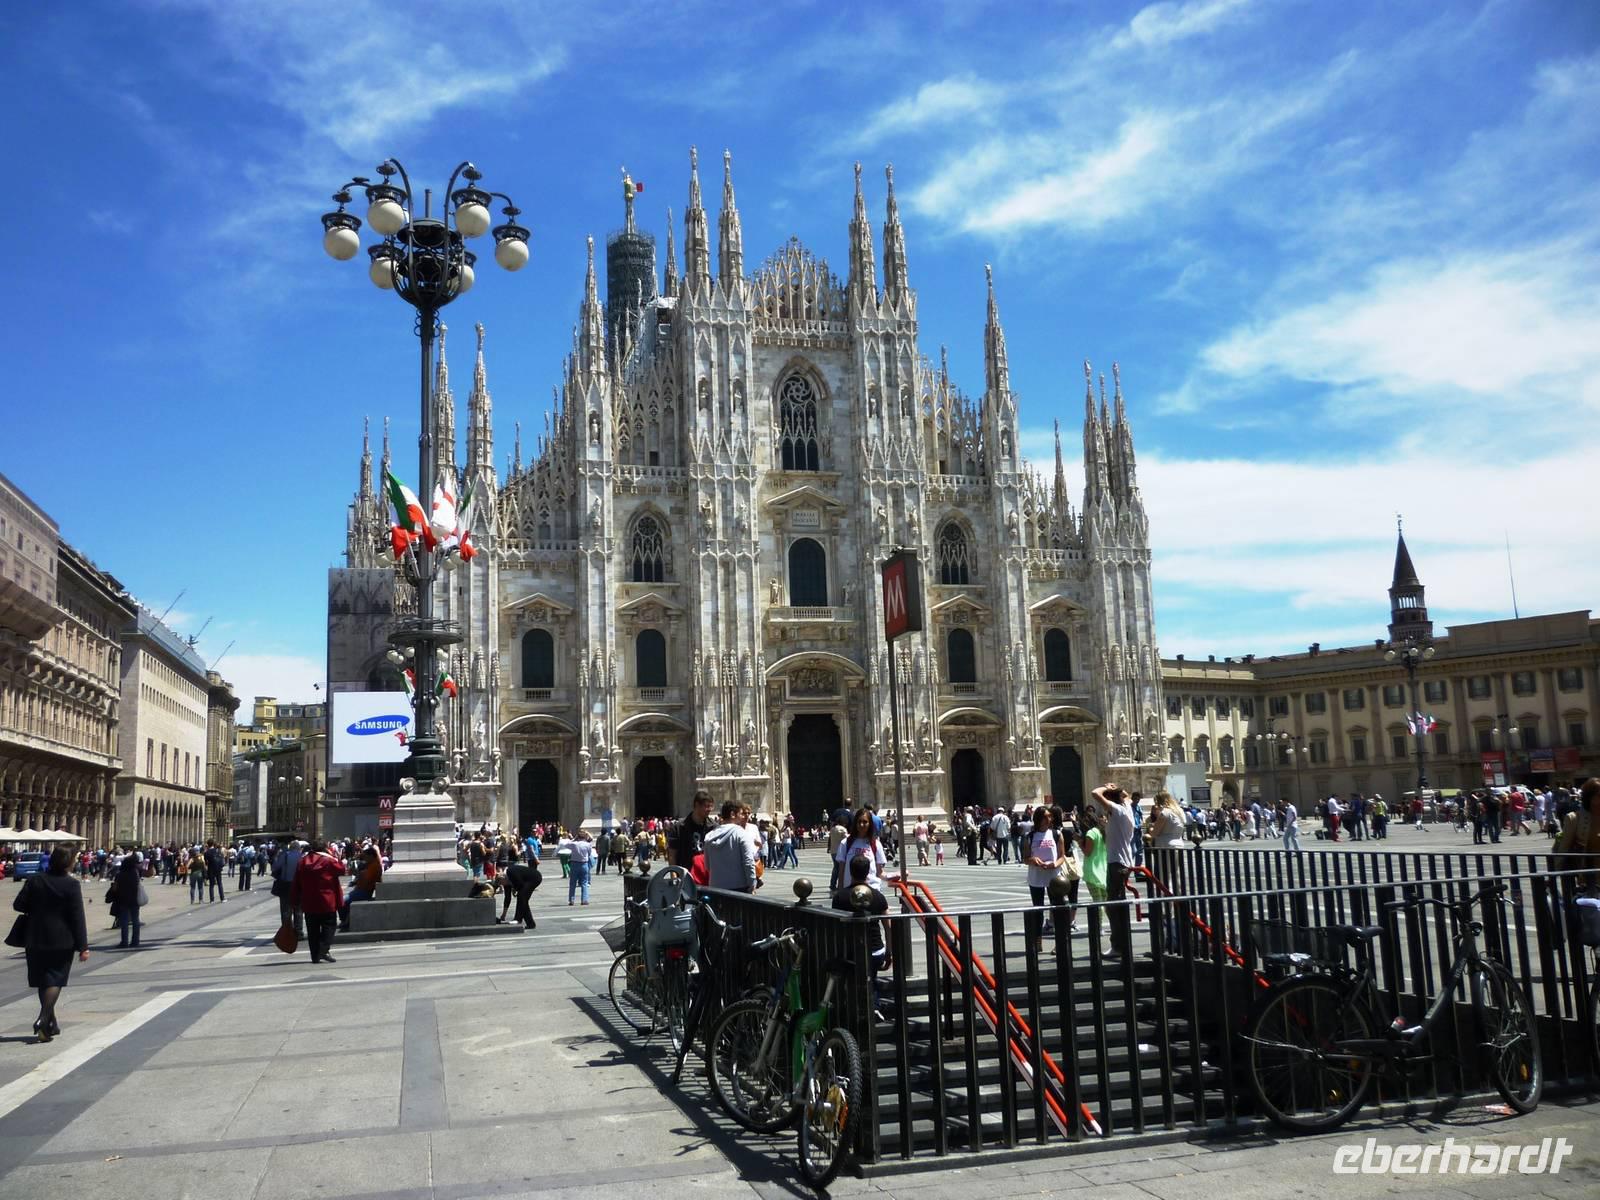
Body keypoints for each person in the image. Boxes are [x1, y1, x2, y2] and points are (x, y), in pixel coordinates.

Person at [12, 847, 89, 1043]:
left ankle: (49, 1026)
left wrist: (37, 907)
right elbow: (77, 917)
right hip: (62, 939)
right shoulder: (71, 884)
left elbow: (18, 905)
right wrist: (83, 946)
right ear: (69, 862)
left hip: (35, 937)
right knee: (55, 979)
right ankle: (43, 1018)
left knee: (43, 979)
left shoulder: (35, 880)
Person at [1096, 784, 1136, 961]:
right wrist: (1118, 788)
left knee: (1113, 906)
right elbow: (1126, 796)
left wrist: (1104, 787)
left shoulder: (1118, 810)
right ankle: (1122, 943)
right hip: (1123, 862)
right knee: (1118, 904)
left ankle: (1118, 946)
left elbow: (1094, 794)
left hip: (1117, 864)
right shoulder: (1127, 808)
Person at [290, 839, 346, 964]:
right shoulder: (328, 861)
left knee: (312, 930)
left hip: (309, 901)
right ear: (325, 848)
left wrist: (294, 900)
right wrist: (334, 855)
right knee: (329, 926)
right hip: (327, 900)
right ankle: (323, 949)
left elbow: (296, 883)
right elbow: (342, 869)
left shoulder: (302, 862)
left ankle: (315, 955)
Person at [704, 800, 757, 893]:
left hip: (716, 887)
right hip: (739, 887)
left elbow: (708, 866)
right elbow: (748, 862)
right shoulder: (741, 833)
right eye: (741, 814)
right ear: (733, 814)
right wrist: (752, 882)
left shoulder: (710, 836)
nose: (743, 817)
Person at [836, 807, 888, 892]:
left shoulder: (876, 844)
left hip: (871, 891)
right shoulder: (845, 843)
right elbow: (841, 871)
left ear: (870, 824)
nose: (861, 825)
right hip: (850, 891)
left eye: (865, 822)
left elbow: (880, 872)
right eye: (859, 822)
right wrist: (840, 891)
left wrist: (894, 876)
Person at [339, 844, 383, 931]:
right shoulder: (370, 865)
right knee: (342, 900)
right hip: (360, 890)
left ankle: (345, 920)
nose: (365, 859)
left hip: (364, 892)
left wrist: (358, 873)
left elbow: (366, 879)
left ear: (371, 856)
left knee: (342, 901)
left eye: (366, 857)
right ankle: (346, 919)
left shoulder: (375, 866)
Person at [108, 851, 145, 948]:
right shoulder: (135, 874)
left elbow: (115, 888)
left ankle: (124, 942)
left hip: (123, 899)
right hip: (134, 899)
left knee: (124, 921)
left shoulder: (120, 874)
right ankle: (135, 941)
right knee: (135, 920)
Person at [670, 790, 714, 868]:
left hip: (707, 875)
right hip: (685, 873)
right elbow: (672, 855)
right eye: (707, 806)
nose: (710, 809)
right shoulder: (678, 827)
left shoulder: (714, 827)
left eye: (711, 806)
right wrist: (674, 876)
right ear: (697, 805)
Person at [271, 841, 305, 939]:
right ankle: (299, 932)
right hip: (298, 885)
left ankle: (287, 932)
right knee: (298, 909)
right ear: (299, 848)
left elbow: (275, 868)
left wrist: (276, 857)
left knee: (286, 910)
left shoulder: (285, 855)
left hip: (286, 885)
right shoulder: (302, 857)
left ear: (290, 848)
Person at [498, 856, 542, 928]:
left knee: (522, 898)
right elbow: (507, 898)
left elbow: (520, 883)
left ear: (503, 878)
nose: (503, 885)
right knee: (523, 900)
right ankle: (527, 922)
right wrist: (504, 914)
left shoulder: (510, 872)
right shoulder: (506, 882)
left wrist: (515, 889)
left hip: (535, 877)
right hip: (527, 880)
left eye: (502, 883)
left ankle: (519, 919)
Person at [563, 830, 594, 906]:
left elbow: (566, 845)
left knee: (572, 883)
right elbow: (589, 853)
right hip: (584, 864)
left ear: (578, 837)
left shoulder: (574, 844)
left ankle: (571, 900)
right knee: (584, 883)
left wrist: (574, 839)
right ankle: (584, 900)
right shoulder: (587, 845)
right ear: (585, 837)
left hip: (574, 864)